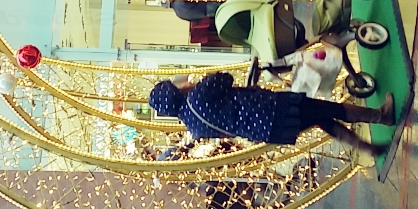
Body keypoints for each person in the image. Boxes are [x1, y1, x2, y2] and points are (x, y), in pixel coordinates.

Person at [148, 73, 395, 157]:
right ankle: (381, 116)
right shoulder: (197, 97)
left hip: (267, 130)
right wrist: (194, 85)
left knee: (322, 119)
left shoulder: (193, 126)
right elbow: (225, 78)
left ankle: (366, 147)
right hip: (272, 109)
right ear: (175, 91)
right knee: (329, 110)